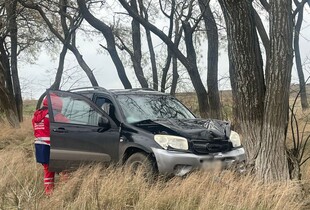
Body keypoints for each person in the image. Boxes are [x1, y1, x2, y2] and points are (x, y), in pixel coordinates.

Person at [32, 94, 68, 195]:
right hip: (51, 146)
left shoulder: (36, 116)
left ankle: (49, 193)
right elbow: (67, 125)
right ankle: (65, 191)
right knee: (64, 168)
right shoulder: (54, 115)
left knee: (48, 170)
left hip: (39, 146)